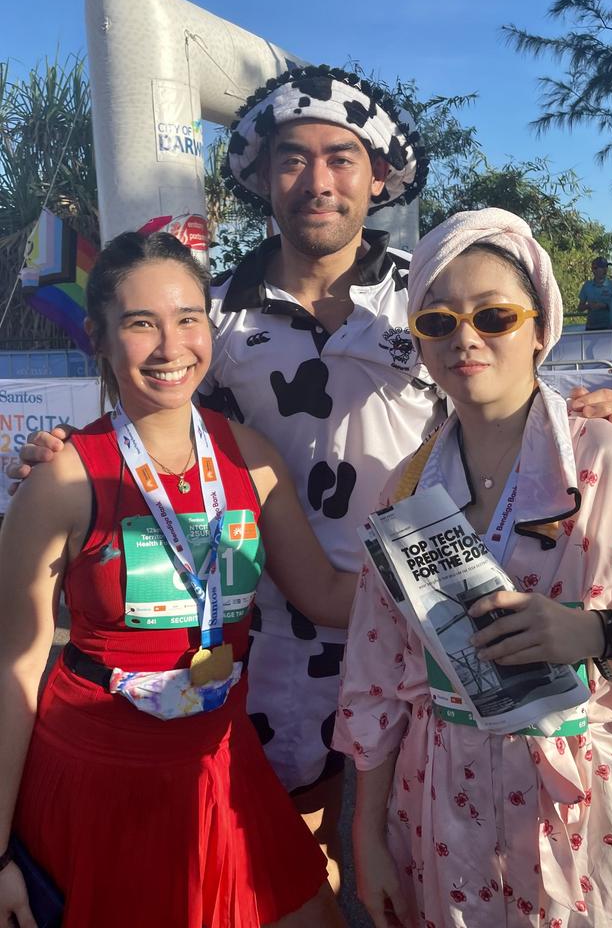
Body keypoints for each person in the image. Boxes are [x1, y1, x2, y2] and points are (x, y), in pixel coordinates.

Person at [8, 67, 612, 890]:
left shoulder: (426, 292)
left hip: (438, 640)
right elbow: (155, 417)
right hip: (262, 649)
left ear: (378, 175)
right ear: (260, 176)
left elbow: (500, 392)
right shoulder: (218, 314)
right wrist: (62, 455)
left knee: (418, 864)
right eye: (292, 159)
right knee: (277, 872)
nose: (318, 181)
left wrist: (601, 412)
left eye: (341, 158)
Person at [0, 231, 351, 928]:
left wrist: (462, 566)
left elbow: (328, 597)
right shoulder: (64, 479)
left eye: (189, 318)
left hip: (222, 761)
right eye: (141, 324)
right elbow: (14, 666)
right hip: (99, 777)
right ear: (97, 338)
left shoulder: (249, 456)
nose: (171, 346)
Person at [335, 208, 612, 927]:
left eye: (496, 316)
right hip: (438, 805)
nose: (466, 339)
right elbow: (376, 677)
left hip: (580, 806)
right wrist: (368, 833)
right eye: (438, 322)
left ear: (541, 328)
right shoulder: (406, 490)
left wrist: (599, 632)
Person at [577, 256, 612, 330]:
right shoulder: (587, 286)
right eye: (602, 267)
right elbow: (580, 308)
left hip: (609, 327)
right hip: (591, 328)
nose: (606, 269)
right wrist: (589, 306)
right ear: (594, 270)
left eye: (606, 267)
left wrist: (605, 306)